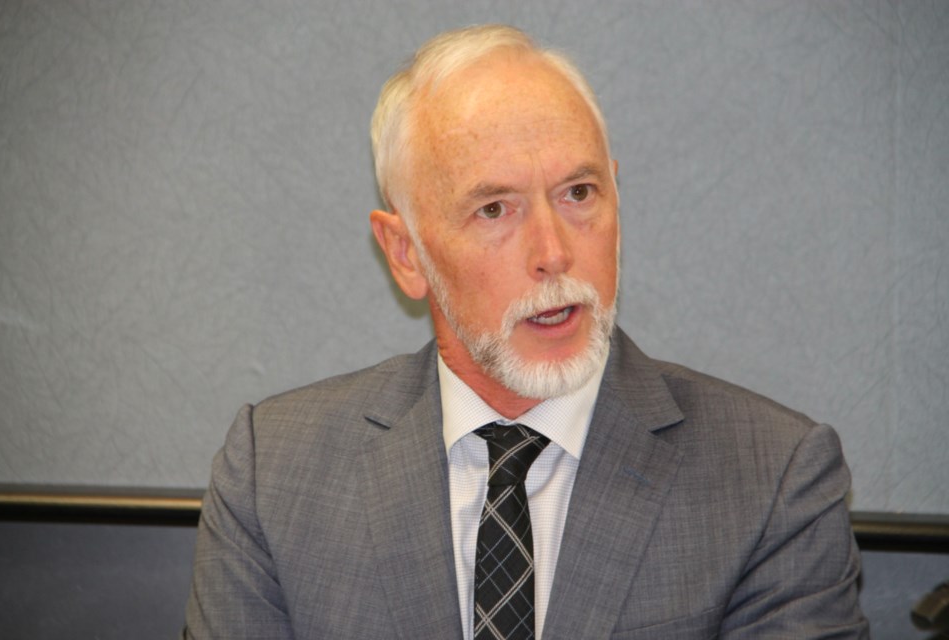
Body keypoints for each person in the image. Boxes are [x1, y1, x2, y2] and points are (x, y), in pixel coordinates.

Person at [183, 24, 869, 639]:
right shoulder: (272, 476)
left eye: (579, 194)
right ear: (406, 254)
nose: (554, 252)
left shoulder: (772, 478)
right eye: (493, 209)